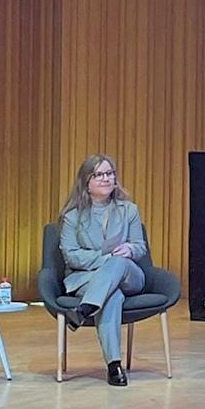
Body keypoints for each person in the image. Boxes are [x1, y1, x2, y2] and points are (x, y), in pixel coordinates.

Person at [58, 154, 148, 387]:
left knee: (119, 262)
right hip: (87, 279)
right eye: (99, 174)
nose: (106, 179)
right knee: (113, 295)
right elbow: (72, 256)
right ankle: (114, 366)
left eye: (110, 173)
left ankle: (85, 309)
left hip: (129, 275)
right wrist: (107, 258)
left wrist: (129, 249)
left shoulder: (129, 210)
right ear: (86, 182)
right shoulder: (72, 217)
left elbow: (140, 247)